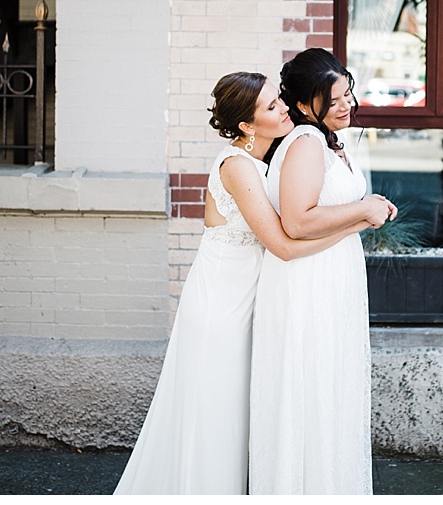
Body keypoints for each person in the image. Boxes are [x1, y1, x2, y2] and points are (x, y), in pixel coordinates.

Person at [113, 72, 392, 495]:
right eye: (271, 107)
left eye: (279, 100)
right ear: (247, 125)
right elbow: (284, 244)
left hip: (250, 300)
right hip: (221, 305)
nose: (284, 109)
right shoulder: (237, 168)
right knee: (214, 418)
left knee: (240, 417)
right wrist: (357, 222)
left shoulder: (265, 159)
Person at [249, 48, 396, 494]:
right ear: (302, 105)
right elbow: (297, 220)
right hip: (308, 284)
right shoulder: (307, 144)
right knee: (311, 391)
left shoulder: (328, 140)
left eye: (347, 94)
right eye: (333, 101)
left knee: (330, 391)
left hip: (330, 277)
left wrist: (364, 213)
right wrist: (362, 208)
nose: (345, 105)